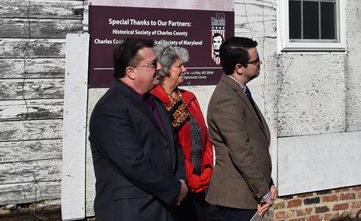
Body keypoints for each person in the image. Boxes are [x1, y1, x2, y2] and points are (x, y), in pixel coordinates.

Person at [89, 38, 188, 220]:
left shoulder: (155, 102)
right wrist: (173, 188)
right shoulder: (110, 109)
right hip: (133, 212)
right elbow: (133, 162)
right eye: (152, 64)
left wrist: (182, 181)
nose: (159, 67)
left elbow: (174, 147)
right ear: (131, 72)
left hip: (165, 209)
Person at [206, 37, 276, 220]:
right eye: (255, 61)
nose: (260, 62)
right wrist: (263, 192)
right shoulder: (226, 99)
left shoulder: (240, 91)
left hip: (251, 193)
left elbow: (256, 144)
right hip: (236, 199)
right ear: (239, 68)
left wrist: (269, 183)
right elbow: (241, 151)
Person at [151, 44, 215, 221]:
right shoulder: (155, 102)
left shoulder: (189, 98)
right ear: (165, 70)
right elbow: (170, 148)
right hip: (178, 186)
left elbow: (205, 137)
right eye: (179, 66)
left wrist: (208, 169)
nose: (184, 69)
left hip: (203, 185)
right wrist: (190, 177)